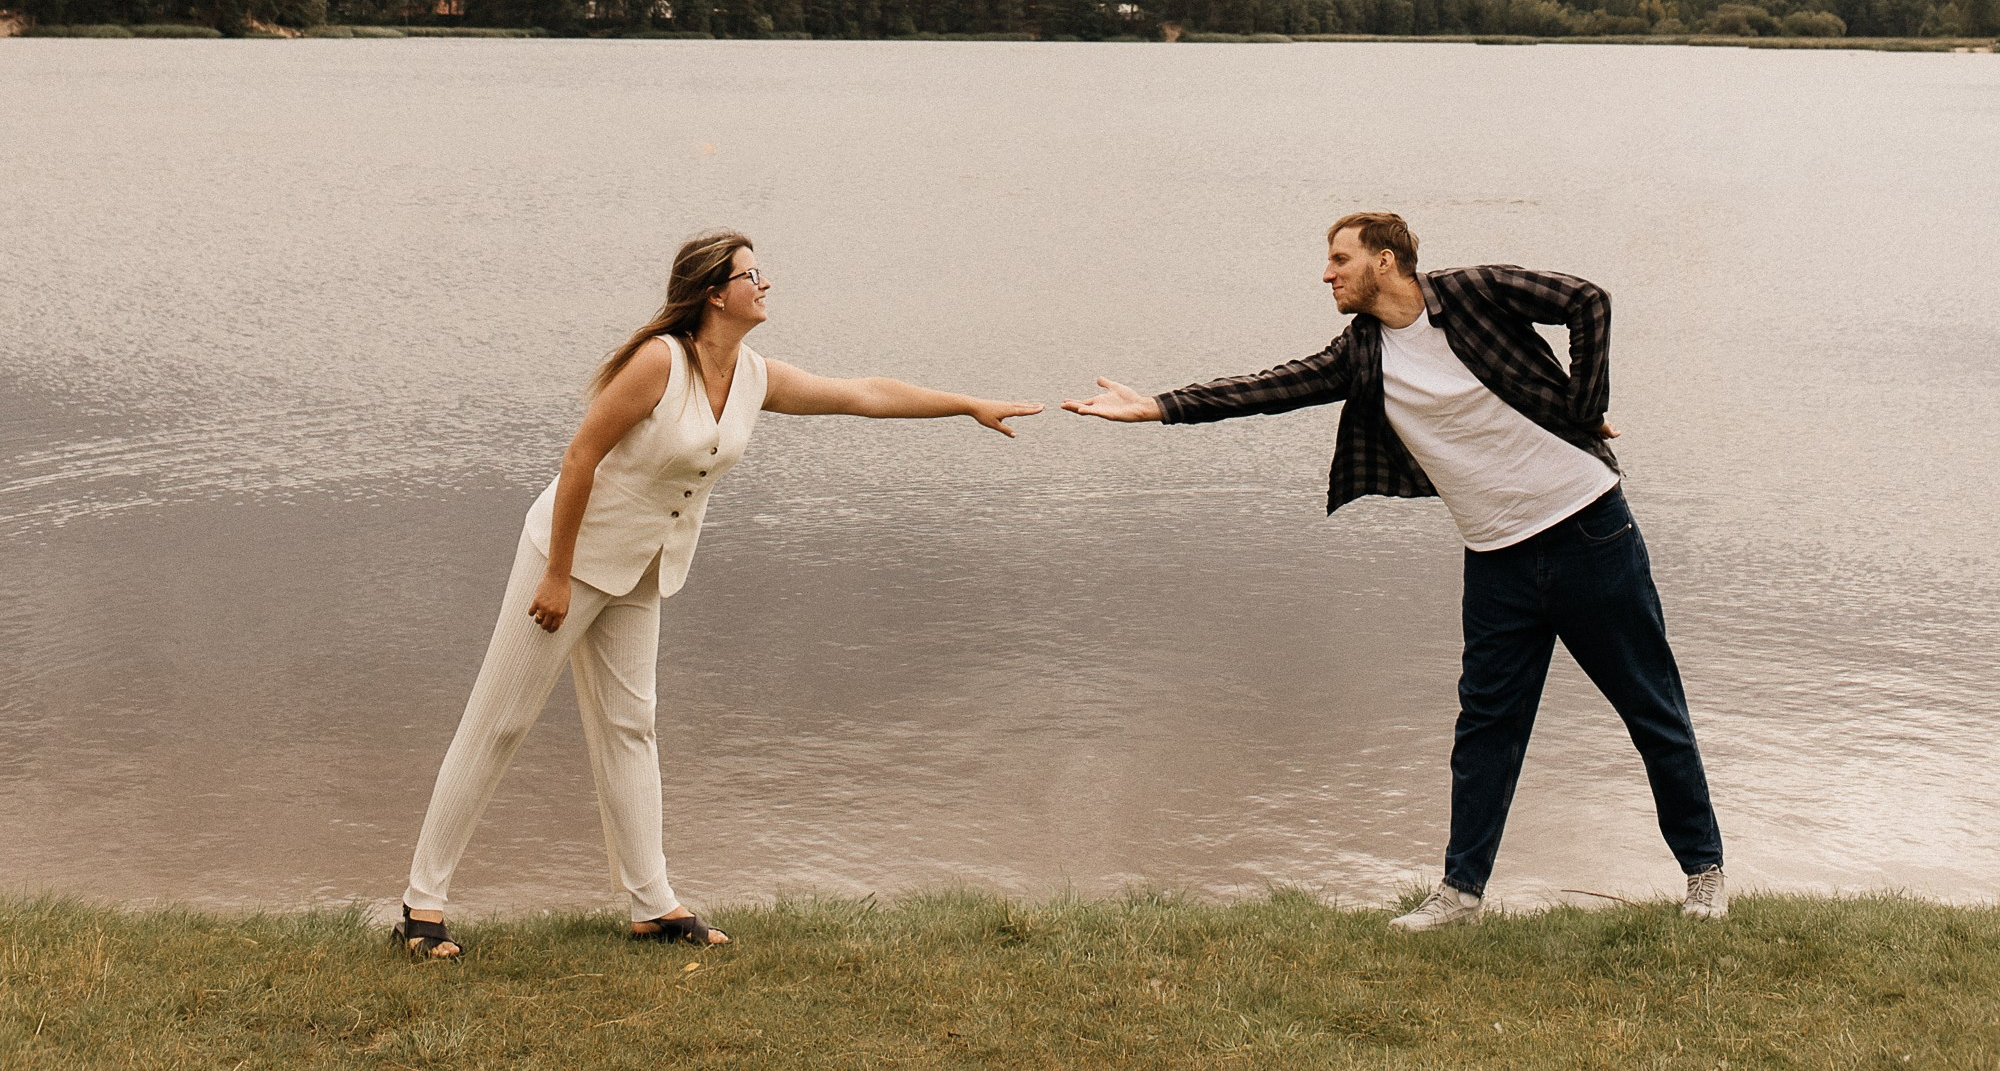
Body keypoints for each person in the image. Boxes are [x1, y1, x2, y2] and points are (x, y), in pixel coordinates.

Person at [1064, 208, 1725, 927]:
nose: (1327, 274)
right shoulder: (1362, 353)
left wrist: (1584, 404)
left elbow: (1586, 301)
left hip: (1589, 533)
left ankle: (1705, 877)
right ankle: (1461, 895)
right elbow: (1269, 388)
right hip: (1495, 558)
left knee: (1650, 709)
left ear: (1384, 261)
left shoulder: (1475, 293)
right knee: (1485, 729)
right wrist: (1159, 406)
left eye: (1340, 260)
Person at [394, 227, 1038, 957]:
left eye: (762, 273)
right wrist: (555, 575)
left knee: (632, 728)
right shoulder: (658, 364)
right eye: (751, 274)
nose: (765, 285)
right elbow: (579, 457)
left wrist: (968, 404)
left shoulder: (753, 375)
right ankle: (422, 907)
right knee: (499, 723)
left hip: (641, 571)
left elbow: (862, 394)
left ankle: (652, 905)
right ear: (713, 292)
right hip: (567, 559)